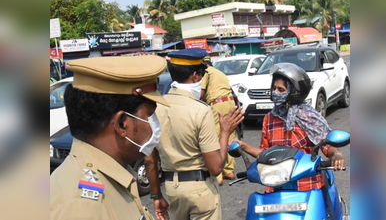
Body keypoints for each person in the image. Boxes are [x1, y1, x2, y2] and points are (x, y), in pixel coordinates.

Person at [50, 56, 170, 220]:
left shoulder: (111, 177)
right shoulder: (83, 208)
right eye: (150, 115)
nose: (154, 124)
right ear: (122, 124)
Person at [145, 48, 244, 220]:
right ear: (196, 76)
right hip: (199, 189)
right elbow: (215, 167)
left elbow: (149, 159)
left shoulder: (156, 108)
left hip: (172, 189)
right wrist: (225, 131)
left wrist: (156, 196)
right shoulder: (200, 110)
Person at [234, 63, 345, 192]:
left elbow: (328, 146)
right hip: (277, 187)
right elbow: (265, 153)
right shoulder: (270, 119)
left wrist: (337, 154)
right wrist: (243, 146)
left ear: (294, 93)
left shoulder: (309, 117)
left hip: (308, 187)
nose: (275, 93)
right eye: (274, 88)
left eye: (281, 90)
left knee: (326, 211)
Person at [200, 56, 236, 185]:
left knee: (215, 136)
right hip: (230, 102)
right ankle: (229, 170)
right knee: (229, 134)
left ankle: (218, 175)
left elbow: (201, 93)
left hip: (218, 105)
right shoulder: (220, 72)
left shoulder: (206, 73)